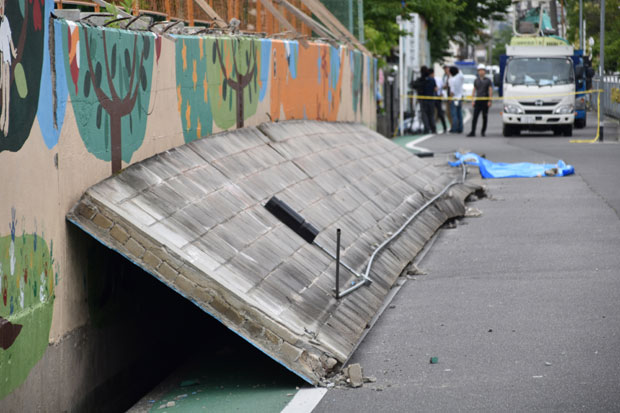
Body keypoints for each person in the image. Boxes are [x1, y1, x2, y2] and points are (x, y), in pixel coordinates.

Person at [467, 64, 493, 137]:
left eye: (482, 70)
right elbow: (474, 90)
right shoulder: (476, 80)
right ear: (478, 72)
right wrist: (472, 100)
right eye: (480, 70)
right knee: (475, 117)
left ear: (484, 71)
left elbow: (490, 90)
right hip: (478, 100)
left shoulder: (488, 80)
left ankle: (483, 131)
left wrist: (490, 101)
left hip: (485, 100)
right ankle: (473, 131)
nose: (481, 72)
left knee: (484, 116)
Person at [448, 66, 464, 133]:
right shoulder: (460, 78)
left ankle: (454, 128)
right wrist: (458, 69)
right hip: (459, 98)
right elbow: (461, 74)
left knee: (454, 114)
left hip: (454, 98)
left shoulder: (451, 79)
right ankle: (460, 128)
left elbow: (452, 91)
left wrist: (450, 98)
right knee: (459, 113)